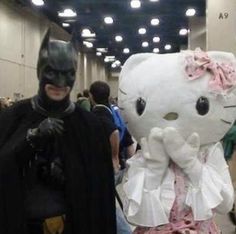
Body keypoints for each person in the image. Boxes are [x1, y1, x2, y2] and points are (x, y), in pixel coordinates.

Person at [0, 30, 116, 234]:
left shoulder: (90, 127)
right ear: (39, 71)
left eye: (68, 74)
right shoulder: (12, 118)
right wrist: (31, 140)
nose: (60, 83)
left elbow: (99, 192)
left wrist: (69, 177)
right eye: (52, 72)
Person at [89, 81, 132, 234]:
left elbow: (113, 131)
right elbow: (128, 142)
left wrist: (114, 157)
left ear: (91, 96)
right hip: (118, 167)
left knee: (104, 205)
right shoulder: (114, 112)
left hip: (106, 169)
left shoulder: (96, 114)